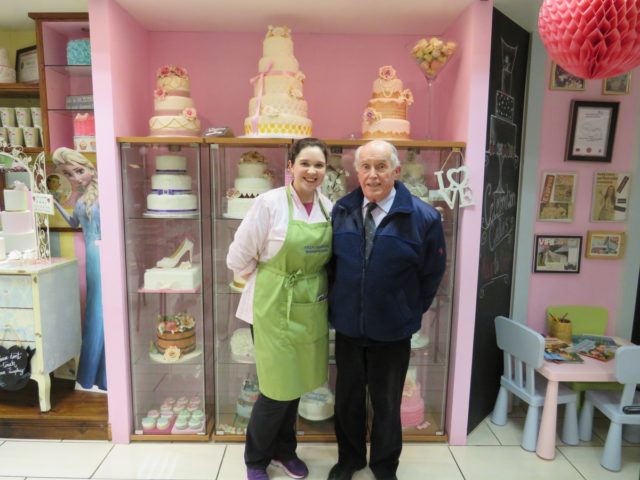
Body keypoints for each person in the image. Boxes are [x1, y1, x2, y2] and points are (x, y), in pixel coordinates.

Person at [328, 140, 446, 480]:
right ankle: (349, 461)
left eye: (381, 167)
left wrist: (407, 309)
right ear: (357, 172)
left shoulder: (424, 217)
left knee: (387, 404)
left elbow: (432, 273)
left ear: (396, 171)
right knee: (347, 402)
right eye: (365, 167)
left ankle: (384, 466)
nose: (373, 175)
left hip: (393, 331)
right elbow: (332, 266)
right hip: (349, 328)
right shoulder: (343, 210)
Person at [227, 138, 332, 480]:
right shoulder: (269, 203)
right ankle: (256, 459)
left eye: (319, 165)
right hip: (273, 307)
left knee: (296, 385)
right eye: (305, 163)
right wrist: (267, 279)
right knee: (274, 390)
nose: (312, 171)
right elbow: (237, 257)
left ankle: (285, 451)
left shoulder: (328, 207)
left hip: (310, 309)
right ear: (290, 165)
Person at [52, 147, 106, 391]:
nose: (76, 177)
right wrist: (56, 203)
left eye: (79, 171)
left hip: (103, 251)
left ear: (90, 169)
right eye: (70, 174)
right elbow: (74, 223)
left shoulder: (104, 195)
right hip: (92, 254)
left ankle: (100, 373)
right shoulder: (83, 199)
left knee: (101, 309)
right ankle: (91, 376)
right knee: (95, 306)